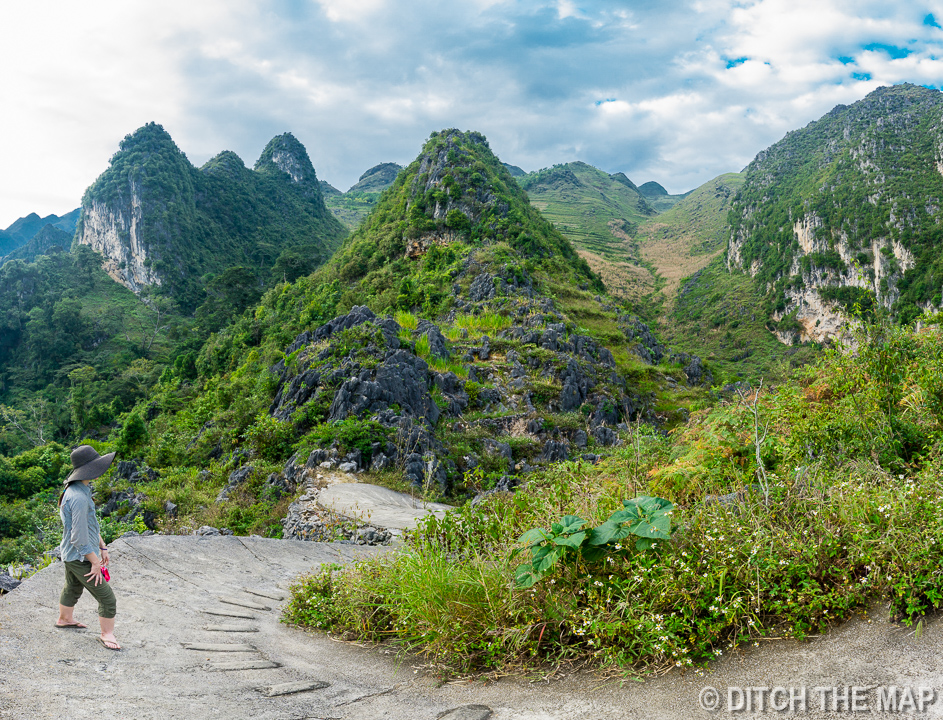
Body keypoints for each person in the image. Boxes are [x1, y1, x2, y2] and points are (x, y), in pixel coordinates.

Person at [56, 445, 121, 650]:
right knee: (107, 598)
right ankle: (107, 634)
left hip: (71, 554)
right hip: (80, 556)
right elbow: (79, 537)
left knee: (73, 587)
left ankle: (64, 619)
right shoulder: (79, 497)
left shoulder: (76, 489)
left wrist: (102, 547)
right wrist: (94, 562)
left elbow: (89, 525)